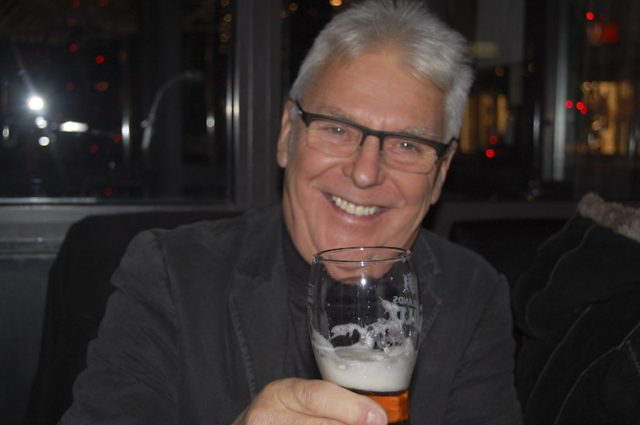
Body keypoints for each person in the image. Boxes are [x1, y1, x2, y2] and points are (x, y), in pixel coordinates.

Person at [60, 1, 521, 424]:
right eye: (337, 129)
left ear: (440, 174)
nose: (365, 173)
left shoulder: (473, 295)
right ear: (287, 135)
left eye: (406, 144)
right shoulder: (171, 275)